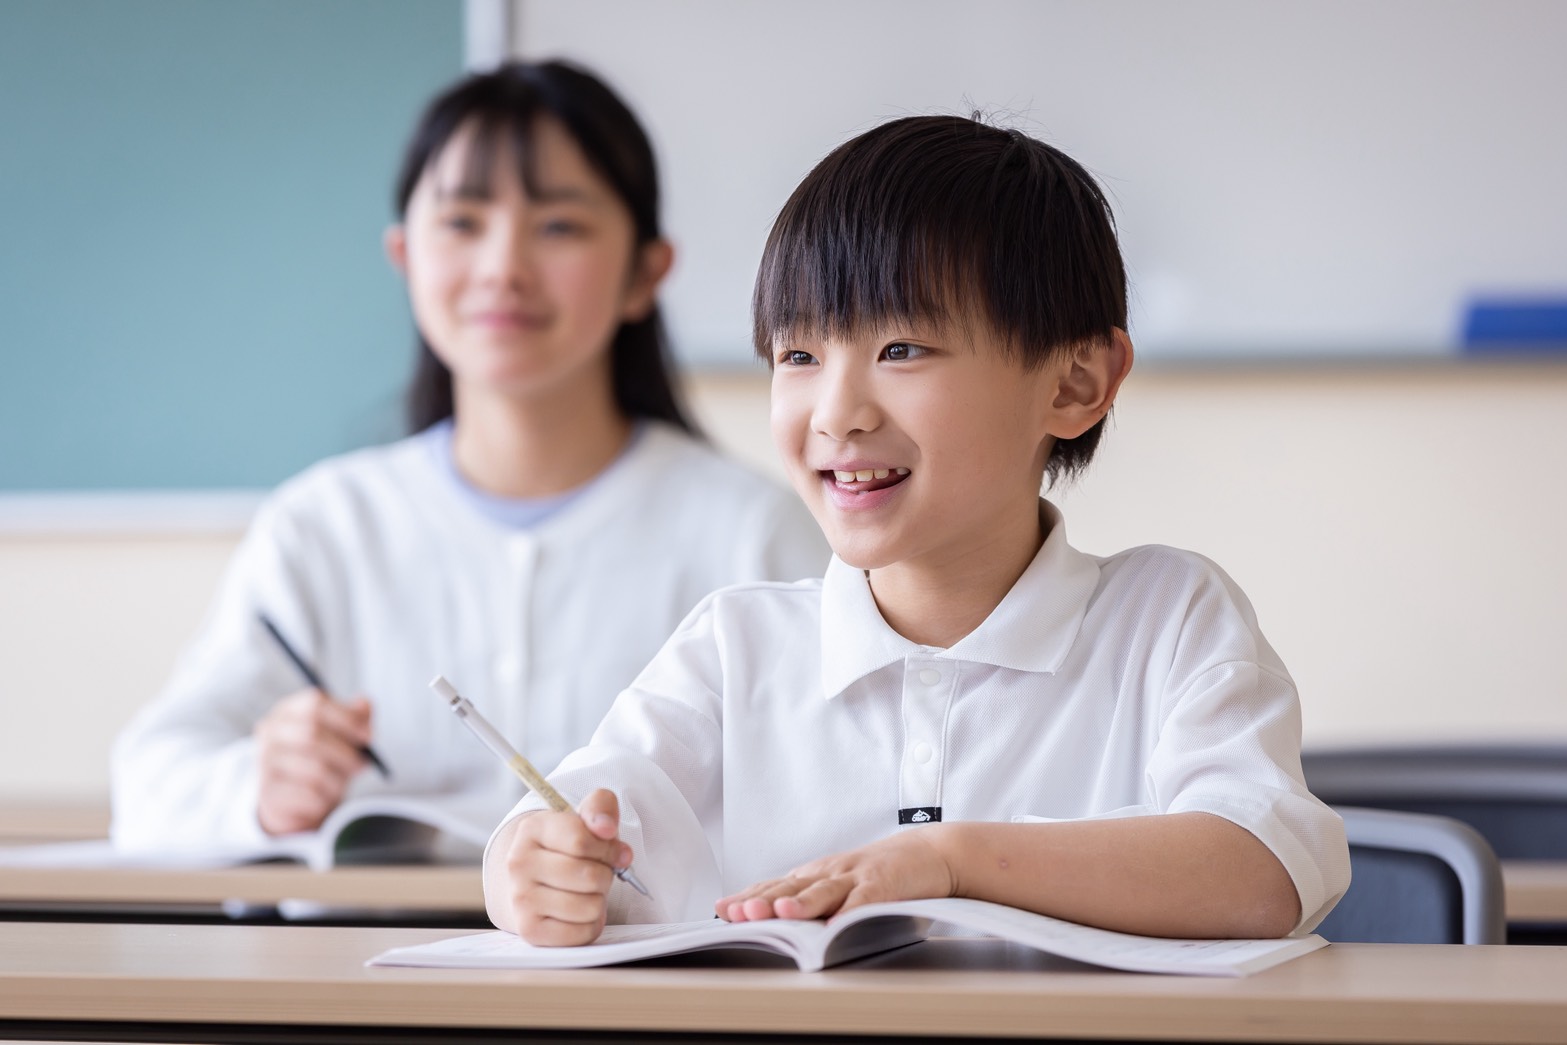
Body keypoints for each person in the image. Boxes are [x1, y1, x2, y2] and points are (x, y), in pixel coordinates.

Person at [483, 114, 1351, 945]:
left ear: (1076, 382)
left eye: (901, 349)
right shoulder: (735, 645)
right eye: (798, 355)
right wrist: (529, 872)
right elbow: (563, 819)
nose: (837, 413)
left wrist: (948, 860)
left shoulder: (1166, 617)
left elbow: (1262, 869)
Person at [110, 60, 826, 854]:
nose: (502, 269)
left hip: (642, 974)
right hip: (348, 970)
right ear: (404, 256)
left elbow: (837, 787)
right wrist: (260, 787)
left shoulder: (749, 532)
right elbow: (147, 788)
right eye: (461, 223)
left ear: (643, 272)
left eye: (559, 226)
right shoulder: (322, 528)